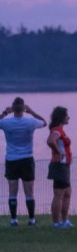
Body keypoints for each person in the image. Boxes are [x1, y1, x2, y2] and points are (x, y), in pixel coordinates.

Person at [0, 97, 47, 226]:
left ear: (12, 108)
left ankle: (14, 220)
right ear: (24, 108)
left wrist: (5, 113)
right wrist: (31, 111)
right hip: (27, 159)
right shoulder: (30, 122)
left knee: (12, 190)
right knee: (29, 191)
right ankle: (31, 219)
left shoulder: (6, 123)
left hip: (11, 160)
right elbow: (44, 122)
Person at [46, 107, 73, 228]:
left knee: (67, 193)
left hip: (64, 165)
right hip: (60, 165)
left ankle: (64, 221)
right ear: (62, 117)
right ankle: (56, 223)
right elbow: (50, 141)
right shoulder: (57, 130)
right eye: (67, 115)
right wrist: (58, 152)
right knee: (59, 194)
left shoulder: (60, 130)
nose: (69, 117)